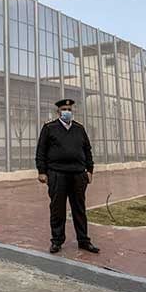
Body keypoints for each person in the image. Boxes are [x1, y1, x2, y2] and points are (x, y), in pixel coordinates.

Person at [36, 98, 100, 255]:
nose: (67, 112)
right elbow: (41, 151)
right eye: (64, 109)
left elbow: (87, 150)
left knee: (79, 209)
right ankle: (57, 241)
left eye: (69, 110)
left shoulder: (79, 128)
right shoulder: (49, 128)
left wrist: (90, 170)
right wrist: (42, 171)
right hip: (57, 174)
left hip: (78, 174)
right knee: (57, 209)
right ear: (58, 112)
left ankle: (84, 240)